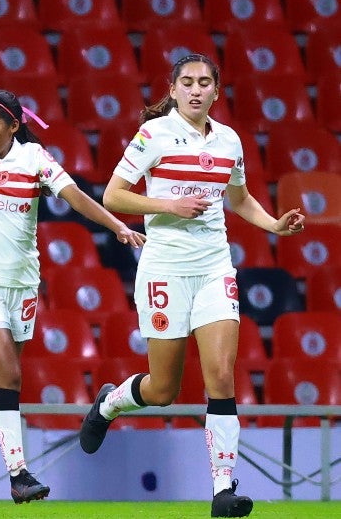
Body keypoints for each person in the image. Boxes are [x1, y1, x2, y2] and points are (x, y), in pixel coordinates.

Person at [0, 0, 146, 503]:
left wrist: (118, 226)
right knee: (12, 374)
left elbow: (77, 196)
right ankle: (18, 476)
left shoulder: (35, 159)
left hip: (22, 287)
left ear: (14, 126)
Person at [78, 53, 305, 517]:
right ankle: (109, 404)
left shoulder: (229, 141)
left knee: (221, 376)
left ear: (217, 91)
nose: (197, 89)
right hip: (164, 269)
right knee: (163, 389)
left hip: (214, 269)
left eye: (205, 82)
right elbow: (113, 195)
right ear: (174, 88)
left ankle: (223, 490)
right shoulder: (154, 134)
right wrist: (166, 205)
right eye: (188, 82)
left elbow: (238, 199)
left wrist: (274, 226)